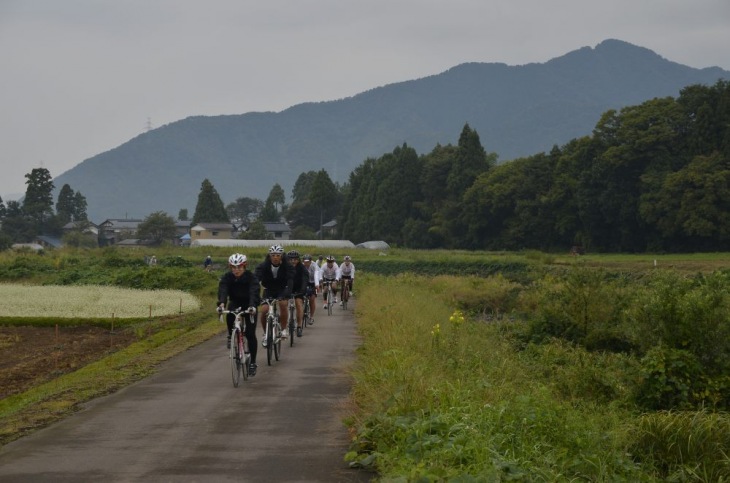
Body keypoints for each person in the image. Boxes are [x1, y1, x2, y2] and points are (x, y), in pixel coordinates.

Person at [217, 253, 259, 376]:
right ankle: (231, 335)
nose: (236, 270)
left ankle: (253, 362)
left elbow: (254, 291)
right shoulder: (227, 277)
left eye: (239, 267)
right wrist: (221, 304)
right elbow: (223, 290)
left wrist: (252, 305)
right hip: (235, 302)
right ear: (230, 267)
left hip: (249, 304)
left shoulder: (251, 277)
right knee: (230, 312)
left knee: (251, 334)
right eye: (233, 267)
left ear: (244, 266)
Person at [255, 244, 295, 343]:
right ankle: (265, 333)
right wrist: (256, 294)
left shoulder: (287, 265)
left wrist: (287, 294)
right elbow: (256, 280)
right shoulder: (263, 266)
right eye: (273, 255)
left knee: (282, 304)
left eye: (278, 255)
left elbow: (290, 280)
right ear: (269, 256)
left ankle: (284, 329)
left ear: (281, 255)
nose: (275, 257)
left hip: (282, 289)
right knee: (264, 310)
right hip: (268, 289)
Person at [286, 250, 309, 337]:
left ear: (298, 260)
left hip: (299, 289)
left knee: (299, 304)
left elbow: (305, 279)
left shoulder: (302, 268)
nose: (293, 261)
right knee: (283, 304)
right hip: (288, 289)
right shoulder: (285, 267)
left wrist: (302, 290)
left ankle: (299, 326)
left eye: (295, 259)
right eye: (291, 259)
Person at [302, 254, 320, 325]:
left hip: (312, 282)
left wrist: (317, 285)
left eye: (308, 262)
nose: (306, 263)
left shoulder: (314, 265)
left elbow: (316, 275)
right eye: (305, 262)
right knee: (300, 297)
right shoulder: (301, 266)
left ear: (310, 261)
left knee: (312, 299)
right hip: (304, 282)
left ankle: (311, 317)